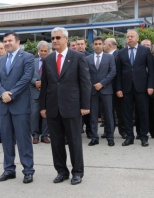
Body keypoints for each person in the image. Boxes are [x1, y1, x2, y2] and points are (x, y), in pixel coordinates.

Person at [39, 27, 91, 185]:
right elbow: (45, 85)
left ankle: (77, 172)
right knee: (56, 143)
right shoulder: (48, 59)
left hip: (72, 106)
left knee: (74, 141)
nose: (54, 40)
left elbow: (85, 83)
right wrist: (43, 107)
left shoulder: (78, 57)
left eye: (57, 38)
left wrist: (85, 105)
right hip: (53, 108)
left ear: (66, 39)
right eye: (53, 38)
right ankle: (61, 171)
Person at [0, 32, 35, 184]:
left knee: (23, 140)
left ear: (17, 41)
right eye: (5, 41)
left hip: (20, 105)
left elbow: (27, 77)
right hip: (3, 105)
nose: (7, 43)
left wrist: (12, 93)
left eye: (10, 40)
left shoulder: (27, 57)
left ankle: (28, 170)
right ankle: (9, 169)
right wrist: (3, 93)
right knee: (7, 139)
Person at [116, 29, 154, 147]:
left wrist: (150, 85)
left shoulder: (145, 51)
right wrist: (118, 88)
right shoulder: (121, 53)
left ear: (137, 38)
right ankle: (129, 137)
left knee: (143, 112)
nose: (130, 39)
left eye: (132, 36)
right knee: (127, 113)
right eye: (128, 37)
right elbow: (118, 73)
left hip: (142, 88)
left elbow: (151, 71)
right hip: (126, 88)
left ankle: (143, 137)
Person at [86, 37, 116, 146]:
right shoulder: (88, 58)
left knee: (108, 115)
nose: (98, 45)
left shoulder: (109, 57)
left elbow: (113, 71)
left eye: (99, 43)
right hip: (93, 91)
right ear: (92, 46)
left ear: (103, 45)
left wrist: (102, 83)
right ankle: (94, 137)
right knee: (93, 115)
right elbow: (86, 74)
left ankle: (110, 137)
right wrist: (92, 85)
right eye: (95, 44)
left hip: (106, 90)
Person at [103, 38, 126, 139]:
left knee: (120, 111)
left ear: (109, 45)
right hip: (106, 88)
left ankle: (123, 131)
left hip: (116, 88)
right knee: (108, 111)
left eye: (104, 44)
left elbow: (119, 73)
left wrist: (118, 88)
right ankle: (108, 131)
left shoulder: (119, 54)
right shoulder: (105, 56)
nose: (103, 46)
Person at [30, 40, 50, 144]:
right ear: (38, 51)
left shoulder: (52, 62)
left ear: (48, 51)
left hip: (47, 93)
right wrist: (35, 82)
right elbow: (27, 75)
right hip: (34, 93)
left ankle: (45, 135)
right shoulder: (32, 62)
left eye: (45, 51)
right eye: (41, 50)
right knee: (34, 114)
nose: (43, 53)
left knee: (46, 114)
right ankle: (35, 135)